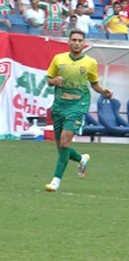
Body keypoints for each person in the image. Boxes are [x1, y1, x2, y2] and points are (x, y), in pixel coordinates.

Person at [44, 30, 113, 192]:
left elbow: (94, 83)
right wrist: (54, 81)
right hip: (60, 105)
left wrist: (103, 92)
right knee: (61, 147)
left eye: (80, 40)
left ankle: (56, 181)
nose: (76, 43)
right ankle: (82, 158)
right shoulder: (58, 59)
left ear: (84, 43)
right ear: (69, 42)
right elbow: (48, 81)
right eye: (74, 40)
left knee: (65, 140)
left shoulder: (90, 62)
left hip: (78, 105)